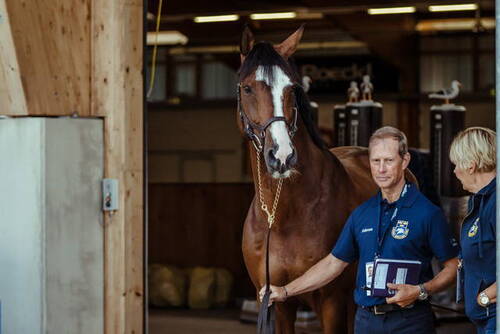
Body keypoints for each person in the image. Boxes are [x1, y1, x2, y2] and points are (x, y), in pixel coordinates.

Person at [261, 126, 459, 333]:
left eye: (389, 161)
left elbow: (453, 266)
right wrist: (285, 291)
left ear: (405, 161)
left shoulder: (427, 213)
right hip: (366, 321)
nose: (381, 169)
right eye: (376, 161)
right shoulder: (361, 214)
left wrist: (420, 291)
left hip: (410, 321)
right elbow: (332, 264)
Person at [449, 127, 497, 334]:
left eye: (456, 164)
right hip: (485, 319)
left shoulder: (496, 202)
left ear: (471, 164)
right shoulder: (477, 201)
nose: (454, 171)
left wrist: (486, 297)